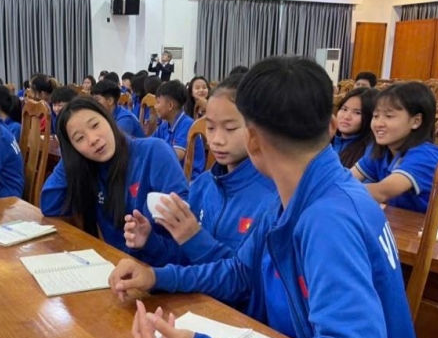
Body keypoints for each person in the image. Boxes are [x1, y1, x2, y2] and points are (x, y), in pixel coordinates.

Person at [108, 56, 428, 338]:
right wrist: (157, 275)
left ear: (253, 140)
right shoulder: (299, 192)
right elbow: (240, 272)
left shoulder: (328, 218)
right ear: (333, 126)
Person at [125, 74, 276, 267]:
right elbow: (185, 259)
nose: (216, 140)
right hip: (196, 295)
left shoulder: (272, 196)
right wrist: (149, 242)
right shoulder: (203, 186)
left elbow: (243, 280)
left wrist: (193, 238)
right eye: (210, 127)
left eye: (230, 129)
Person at [41, 97, 189, 252]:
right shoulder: (90, 167)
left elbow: (184, 231)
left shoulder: (154, 152)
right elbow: (50, 205)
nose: (93, 139)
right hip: (116, 263)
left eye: (95, 125)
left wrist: (150, 241)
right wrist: (71, 157)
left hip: (161, 268)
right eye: (79, 138)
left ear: (108, 119)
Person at [352, 82, 438, 220]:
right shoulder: (380, 151)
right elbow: (347, 177)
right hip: (406, 225)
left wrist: (335, 188)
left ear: (416, 121)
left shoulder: (426, 155)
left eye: (389, 116)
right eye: (375, 116)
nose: (378, 123)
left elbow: (382, 191)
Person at [153, 80, 205, 178]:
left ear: (170, 106)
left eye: (158, 102)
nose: (155, 107)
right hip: (173, 175)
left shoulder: (187, 124)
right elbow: (151, 142)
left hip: (189, 180)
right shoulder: (165, 126)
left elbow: (176, 155)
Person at [332, 87, 378, 168]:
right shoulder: (325, 138)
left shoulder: (371, 150)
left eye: (357, 113)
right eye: (344, 109)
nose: (346, 117)